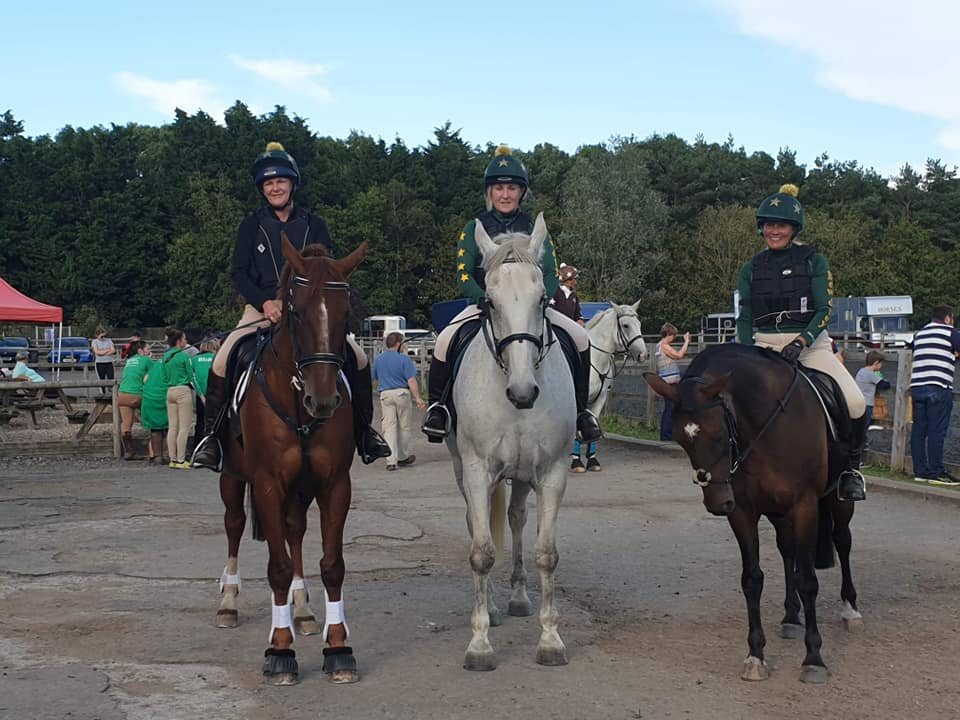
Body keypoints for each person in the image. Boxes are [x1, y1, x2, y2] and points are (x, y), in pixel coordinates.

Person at [191, 142, 389, 471]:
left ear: (292, 184)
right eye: (268, 183)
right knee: (223, 360)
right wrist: (265, 302)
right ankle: (211, 437)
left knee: (359, 357)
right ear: (262, 188)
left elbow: (328, 269)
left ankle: (365, 432)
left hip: (308, 309)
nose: (275, 187)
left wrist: (303, 301)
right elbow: (239, 272)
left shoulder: (314, 224)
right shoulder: (251, 225)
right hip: (261, 309)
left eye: (280, 181)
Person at [421, 145, 602, 443]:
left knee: (580, 338)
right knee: (444, 340)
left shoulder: (534, 227)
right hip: (486, 304)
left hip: (531, 305)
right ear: (489, 192)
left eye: (512, 188)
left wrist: (540, 299)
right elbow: (464, 274)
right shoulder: (474, 227)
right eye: (499, 188)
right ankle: (438, 408)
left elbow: (549, 271)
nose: (505, 194)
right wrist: (483, 298)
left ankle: (581, 412)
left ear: (521, 192)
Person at [736, 183, 866, 501]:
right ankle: (730, 466)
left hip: (809, 345)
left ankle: (850, 470)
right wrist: (748, 351)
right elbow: (745, 316)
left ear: (794, 229)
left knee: (855, 402)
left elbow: (824, 309)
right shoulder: (751, 268)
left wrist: (802, 340)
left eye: (781, 225)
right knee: (726, 403)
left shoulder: (814, 261)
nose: (774, 231)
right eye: (769, 225)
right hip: (763, 345)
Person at [908, 305, 960, 485]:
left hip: (917, 386)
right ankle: (936, 472)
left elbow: (915, 351)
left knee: (918, 431)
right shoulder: (951, 332)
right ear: (947, 318)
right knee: (936, 431)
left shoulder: (920, 333)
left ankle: (920, 471)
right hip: (938, 386)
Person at [372, 332, 426, 470]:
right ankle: (403, 456)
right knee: (404, 426)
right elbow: (411, 380)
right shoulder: (404, 359)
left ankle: (391, 460)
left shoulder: (379, 359)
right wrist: (418, 398)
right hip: (401, 393)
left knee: (389, 427)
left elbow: (375, 377)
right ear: (398, 344)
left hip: (385, 393)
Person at [163, 327, 196, 469]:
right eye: (184, 339)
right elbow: (191, 376)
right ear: (178, 341)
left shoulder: (165, 356)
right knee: (184, 427)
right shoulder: (184, 356)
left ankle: (173, 459)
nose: (186, 341)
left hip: (170, 390)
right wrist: (201, 394)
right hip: (183, 391)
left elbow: (164, 376)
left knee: (172, 427)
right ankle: (181, 460)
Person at [117, 340, 153, 460]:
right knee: (152, 420)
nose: (149, 351)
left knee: (126, 424)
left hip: (122, 394)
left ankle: (128, 452)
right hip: (138, 393)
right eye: (147, 348)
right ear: (140, 350)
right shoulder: (146, 360)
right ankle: (153, 450)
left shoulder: (129, 360)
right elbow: (152, 375)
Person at [655, 323, 690, 441]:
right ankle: (667, 436)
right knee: (670, 409)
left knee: (669, 408)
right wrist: (686, 341)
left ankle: (667, 434)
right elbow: (679, 355)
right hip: (670, 382)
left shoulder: (658, 346)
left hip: (665, 381)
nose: (673, 338)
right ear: (668, 334)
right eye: (673, 335)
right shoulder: (664, 346)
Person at [141, 353, 170, 466]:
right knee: (169, 428)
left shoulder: (155, 364)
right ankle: (167, 454)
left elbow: (145, 380)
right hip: (163, 397)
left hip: (149, 398)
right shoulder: (172, 364)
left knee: (155, 429)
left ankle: (158, 456)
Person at [191, 338, 218, 449]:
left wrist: (201, 395)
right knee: (214, 422)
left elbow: (193, 378)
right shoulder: (216, 358)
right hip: (215, 395)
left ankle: (197, 446)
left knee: (200, 421)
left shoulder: (194, 359)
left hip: (200, 394)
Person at [855, 350, 891, 433]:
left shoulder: (861, 371)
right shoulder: (871, 374)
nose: (881, 365)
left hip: (859, 402)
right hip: (867, 404)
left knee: (859, 426)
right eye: (881, 363)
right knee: (865, 425)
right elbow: (884, 385)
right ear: (876, 362)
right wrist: (882, 377)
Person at [91, 326, 116, 394]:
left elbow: (113, 350)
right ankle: (103, 393)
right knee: (101, 380)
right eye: (101, 336)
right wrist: (107, 350)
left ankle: (112, 393)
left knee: (111, 378)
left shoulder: (109, 340)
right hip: (100, 363)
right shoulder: (95, 342)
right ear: (97, 335)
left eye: (104, 336)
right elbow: (97, 352)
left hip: (109, 362)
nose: (103, 338)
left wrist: (103, 352)